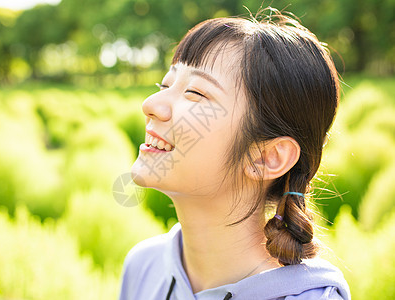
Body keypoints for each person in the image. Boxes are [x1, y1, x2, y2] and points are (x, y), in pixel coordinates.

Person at [120, 8, 351, 300]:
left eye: (196, 94)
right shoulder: (143, 266)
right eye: (165, 85)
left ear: (268, 157)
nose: (151, 104)